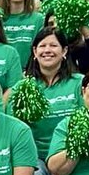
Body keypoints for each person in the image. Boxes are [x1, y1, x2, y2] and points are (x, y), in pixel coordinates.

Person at [19, 25, 83, 162]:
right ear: (35, 51)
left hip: (70, 156)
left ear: (64, 51)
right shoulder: (22, 87)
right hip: (37, 158)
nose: (47, 50)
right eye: (42, 46)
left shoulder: (80, 83)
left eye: (53, 45)